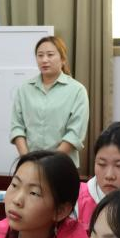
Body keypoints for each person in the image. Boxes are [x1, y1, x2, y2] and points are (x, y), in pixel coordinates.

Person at [10, 35, 90, 168]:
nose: (44, 60)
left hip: (62, 165)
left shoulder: (77, 90)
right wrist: (27, 160)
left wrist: (49, 163)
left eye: (50, 55)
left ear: (63, 59)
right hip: (29, 165)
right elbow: (17, 127)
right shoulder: (24, 89)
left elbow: (75, 134)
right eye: (40, 55)